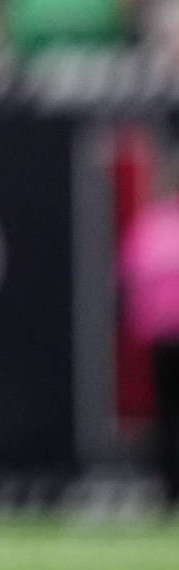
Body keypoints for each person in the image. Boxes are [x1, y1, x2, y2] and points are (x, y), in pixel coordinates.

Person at [119, 187, 179, 508]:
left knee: (166, 420)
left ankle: (170, 490)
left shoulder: (150, 226)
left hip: (160, 340)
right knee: (165, 419)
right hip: (162, 340)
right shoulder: (150, 225)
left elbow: (131, 281)